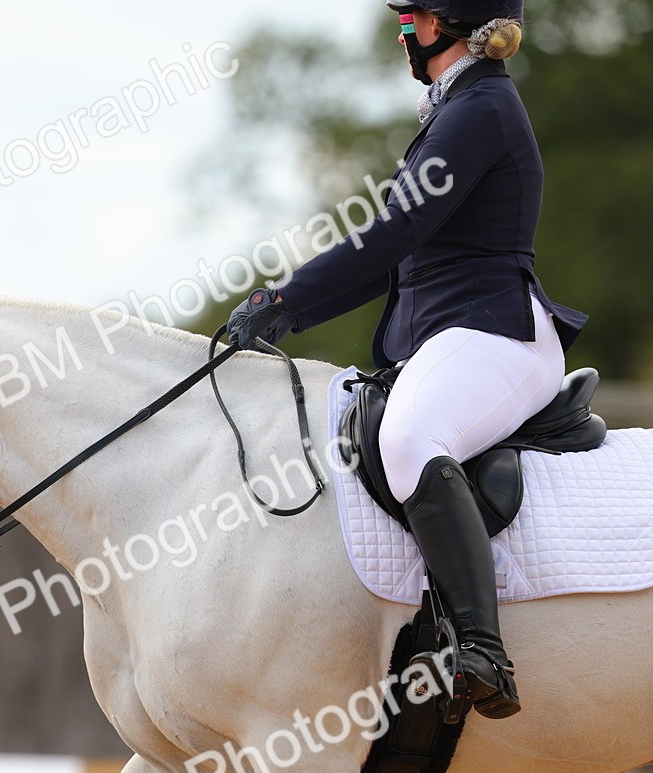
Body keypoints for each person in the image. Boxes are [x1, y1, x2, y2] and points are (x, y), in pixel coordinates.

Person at [226, 0, 588, 720]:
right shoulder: (452, 109)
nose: (403, 30)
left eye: (416, 18)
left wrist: (288, 297)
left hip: (495, 336)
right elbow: (390, 260)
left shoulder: (481, 108)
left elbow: (392, 232)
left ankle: (482, 651)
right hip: (453, 339)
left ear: (456, 24)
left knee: (410, 438)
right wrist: (287, 309)